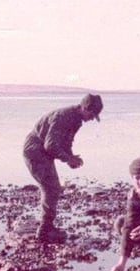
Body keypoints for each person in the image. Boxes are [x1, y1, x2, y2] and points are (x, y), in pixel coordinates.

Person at [23, 94, 103, 243]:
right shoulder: (63, 117)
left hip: (42, 152)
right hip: (35, 151)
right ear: (84, 108)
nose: (92, 118)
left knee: (52, 188)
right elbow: (50, 145)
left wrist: (70, 157)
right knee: (51, 188)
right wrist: (68, 159)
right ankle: (44, 231)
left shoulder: (76, 120)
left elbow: (66, 142)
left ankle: (47, 227)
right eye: (92, 114)